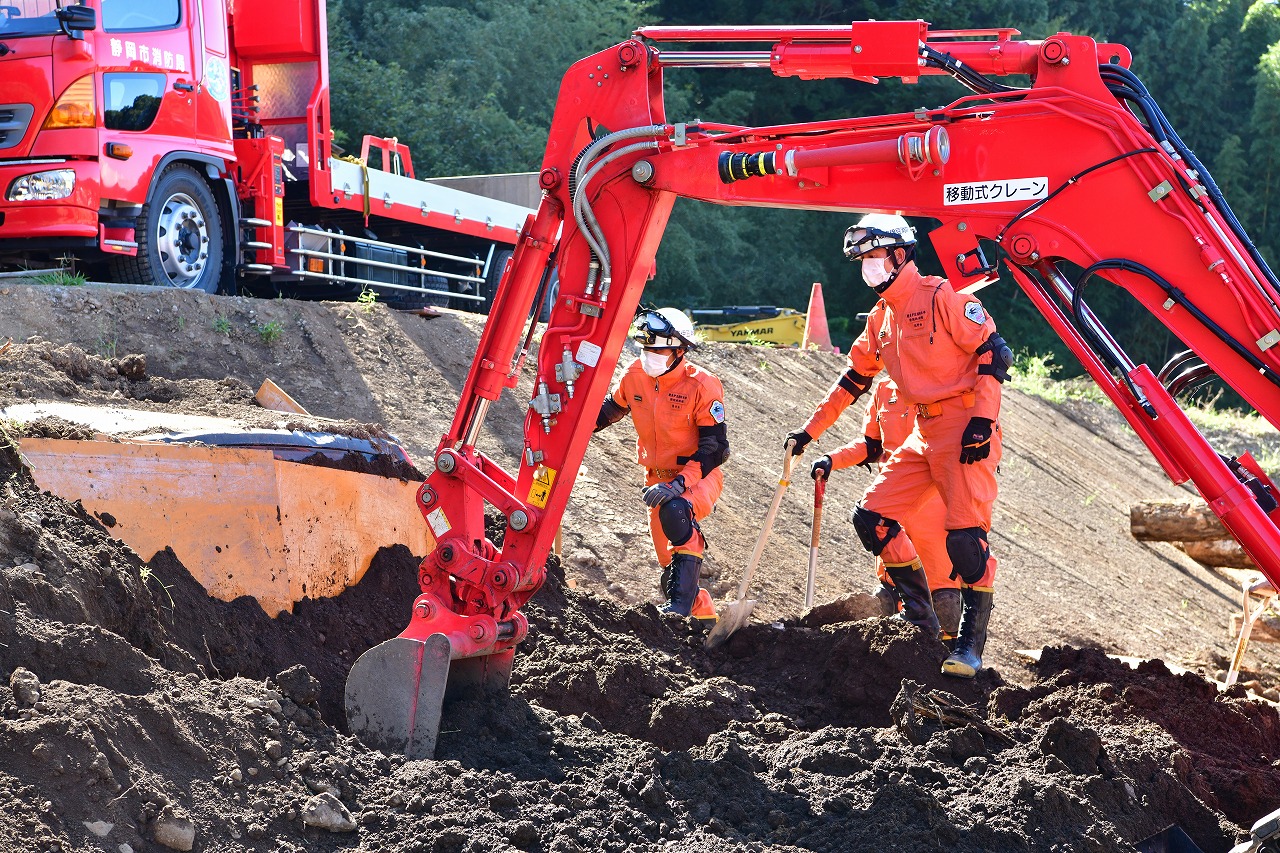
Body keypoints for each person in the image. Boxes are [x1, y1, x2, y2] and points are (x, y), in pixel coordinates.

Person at [787, 214, 1012, 678]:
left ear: (900, 254)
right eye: (862, 260)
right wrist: (810, 433)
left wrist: (984, 420)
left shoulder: (941, 295)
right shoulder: (880, 318)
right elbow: (852, 381)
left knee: (966, 544)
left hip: (963, 426)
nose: (867, 266)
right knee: (871, 519)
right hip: (921, 432)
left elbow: (995, 352)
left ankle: (969, 647)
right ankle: (921, 615)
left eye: (874, 256)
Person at [595, 307, 730, 620]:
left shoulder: (702, 386)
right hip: (656, 480)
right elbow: (611, 410)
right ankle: (703, 615)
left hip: (697, 477)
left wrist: (679, 484)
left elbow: (716, 449)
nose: (649, 354)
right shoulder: (634, 375)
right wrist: (578, 422)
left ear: (680, 350)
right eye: (646, 346)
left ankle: (679, 610)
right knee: (671, 568)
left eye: (658, 348)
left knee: (676, 511)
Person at [810, 376, 962, 641]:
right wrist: (831, 459)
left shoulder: (946, 381)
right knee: (888, 597)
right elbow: (870, 444)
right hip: (892, 507)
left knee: (945, 606)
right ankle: (888, 665)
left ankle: (948, 672)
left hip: (935, 507)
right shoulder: (883, 389)